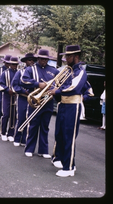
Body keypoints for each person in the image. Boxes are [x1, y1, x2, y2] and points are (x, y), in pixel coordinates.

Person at [48, 45, 94, 177]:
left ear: (76, 57)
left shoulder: (81, 72)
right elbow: (58, 85)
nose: (66, 58)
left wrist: (79, 98)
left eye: (69, 56)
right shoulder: (67, 71)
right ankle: (59, 159)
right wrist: (52, 89)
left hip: (73, 107)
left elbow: (74, 88)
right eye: (66, 56)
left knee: (69, 136)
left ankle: (69, 167)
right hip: (62, 105)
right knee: (59, 134)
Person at [21, 49, 59, 158]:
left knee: (45, 127)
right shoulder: (30, 69)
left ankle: (43, 150)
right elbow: (23, 80)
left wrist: (55, 89)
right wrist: (38, 84)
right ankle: (29, 148)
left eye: (46, 59)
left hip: (48, 101)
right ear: (38, 59)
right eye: (42, 59)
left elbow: (59, 84)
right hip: (35, 101)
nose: (44, 61)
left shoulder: (54, 71)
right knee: (33, 125)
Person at [12, 53, 37, 146]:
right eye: (29, 60)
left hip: (33, 99)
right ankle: (17, 138)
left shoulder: (35, 72)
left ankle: (25, 140)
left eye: (33, 60)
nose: (31, 62)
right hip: (23, 97)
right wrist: (23, 91)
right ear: (25, 61)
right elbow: (14, 85)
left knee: (30, 119)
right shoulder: (20, 72)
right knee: (21, 118)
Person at [0, 56, 18, 142]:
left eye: (16, 64)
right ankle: (3, 132)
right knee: (5, 114)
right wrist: (7, 89)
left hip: (16, 96)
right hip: (6, 96)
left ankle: (11, 133)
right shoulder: (5, 73)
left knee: (14, 115)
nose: (14, 66)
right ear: (9, 64)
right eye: (13, 64)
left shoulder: (19, 73)